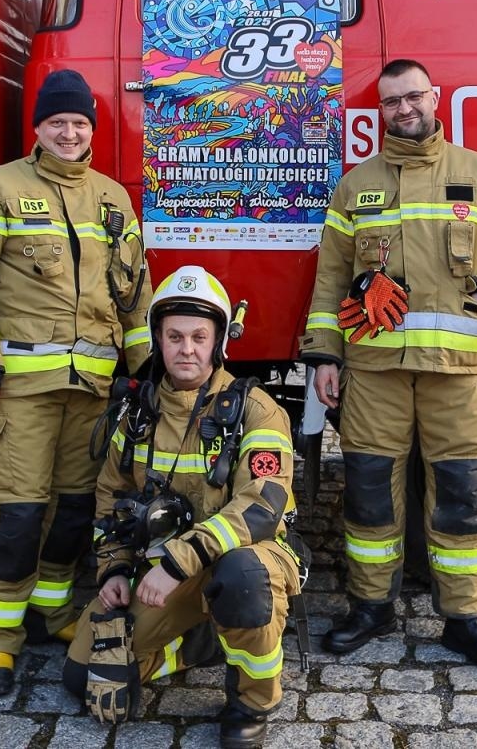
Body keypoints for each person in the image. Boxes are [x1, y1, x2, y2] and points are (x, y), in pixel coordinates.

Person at [300, 58, 477, 671]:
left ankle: (463, 620)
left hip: (458, 375)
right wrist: (325, 355)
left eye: (413, 97)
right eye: (390, 102)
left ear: (435, 98)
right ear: (378, 110)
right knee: (369, 496)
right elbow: (331, 277)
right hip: (374, 373)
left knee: (462, 495)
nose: (403, 109)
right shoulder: (356, 186)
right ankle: (370, 607)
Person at [0, 68, 152, 697]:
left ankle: (53, 615)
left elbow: (134, 288)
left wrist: (144, 371)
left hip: (91, 389)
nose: (68, 133)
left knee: (73, 514)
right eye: (57, 122)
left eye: (79, 123)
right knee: (16, 515)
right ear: (37, 127)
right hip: (20, 389)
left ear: (93, 128)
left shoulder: (113, 197)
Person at [64, 266, 300, 749]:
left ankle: (252, 701)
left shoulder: (256, 410)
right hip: (162, 569)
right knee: (82, 674)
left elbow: (261, 508)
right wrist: (113, 571)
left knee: (241, 580)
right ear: (158, 339)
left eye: (198, 336)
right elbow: (110, 499)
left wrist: (178, 562)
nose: (186, 349)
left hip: (243, 558)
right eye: (174, 336)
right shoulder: (136, 415)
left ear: (218, 343)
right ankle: (205, 640)